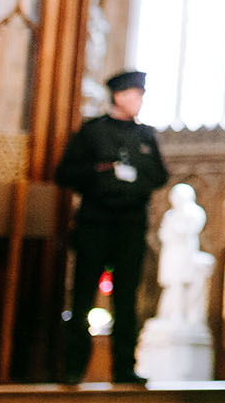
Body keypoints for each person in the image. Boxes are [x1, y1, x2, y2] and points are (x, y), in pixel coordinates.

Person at [53, 69, 168, 386]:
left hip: (130, 224)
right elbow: (65, 173)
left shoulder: (145, 136)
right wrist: (101, 175)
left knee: (127, 296)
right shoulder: (93, 132)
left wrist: (133, 182)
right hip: (96, 221)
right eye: (134, 95)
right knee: (83, 294)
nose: (139, 101)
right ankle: (74, 366)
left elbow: (159, 175)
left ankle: (124, 367)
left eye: (141, 96)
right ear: (119, 96)